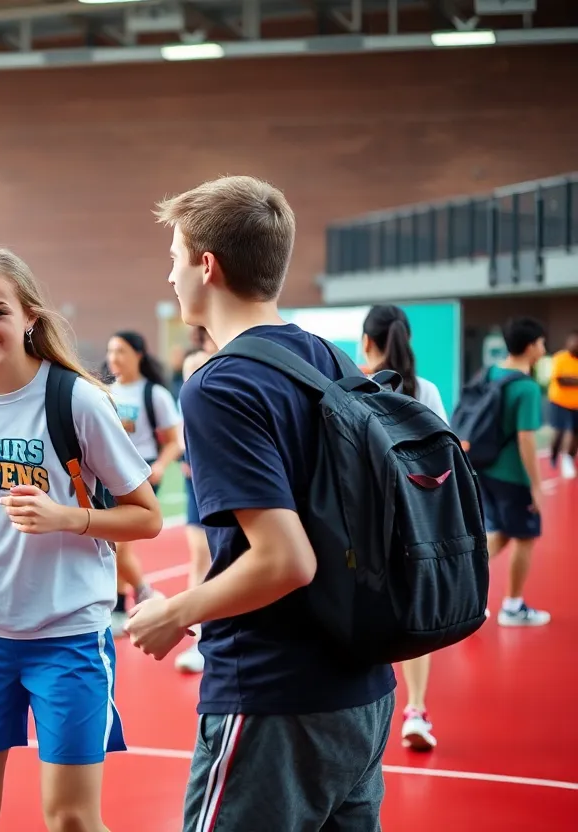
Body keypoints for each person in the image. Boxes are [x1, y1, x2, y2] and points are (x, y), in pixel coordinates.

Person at [126, 175, 395, 831]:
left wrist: (176, 613)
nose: (170, 276)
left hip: (275, 697)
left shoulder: (220, 385)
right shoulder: (331, 363)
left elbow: (284, 560)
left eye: (174, 258)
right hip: (362, 690)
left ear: (207, 265)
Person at [0, 246, 164, 832]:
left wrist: (70, 518)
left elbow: (145, 516)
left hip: (66, 635)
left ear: (30, 318)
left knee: (71, 818)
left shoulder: (75, 400)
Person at [360, 304, 447, 752]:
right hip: (417, 527)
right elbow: (445, 462)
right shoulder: (425, 391)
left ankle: (368, 716)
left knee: (364, 616)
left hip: (364, 529)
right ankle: (415, 708)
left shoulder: (353, 389)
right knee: (416, 619)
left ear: (367, 343)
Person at [104, 330, 183, 635]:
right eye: (111, 352)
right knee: (112, 542)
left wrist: (161, 466)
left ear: (138, 354)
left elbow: (175, 440)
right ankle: (143, 592)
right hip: (111, 472)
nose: (114, 358)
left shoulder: (154, 395)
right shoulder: (105, 391)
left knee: (119, 543)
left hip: (143, 473)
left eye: (121, 351)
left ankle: (122, 606)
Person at [477, 317, 551, 628]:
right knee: (525, 536)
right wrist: (536, 485)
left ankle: (465, 579)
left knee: (503, 533)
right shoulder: (526, 387)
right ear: (532, 345)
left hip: (484, 469)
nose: (544, 349)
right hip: (512, 476)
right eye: (542, 343)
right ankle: (513, 605)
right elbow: (526, 439)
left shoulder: (490, 373)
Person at [170, 326, 216, 675]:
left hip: (227, 472)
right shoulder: (197, 362)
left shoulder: (241, 356)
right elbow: (192, 417)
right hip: (201, 473)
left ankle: (220, 639)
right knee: (202, 557)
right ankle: (201, 640)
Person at [546, 331, 578, 480]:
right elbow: (561, 380)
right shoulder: (560, 358)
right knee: (559, 432)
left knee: (575, 434)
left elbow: (569, 379)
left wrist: (572, 379)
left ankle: (568, 458)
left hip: (576, 404)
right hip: (560, 402)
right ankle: (552, 458)